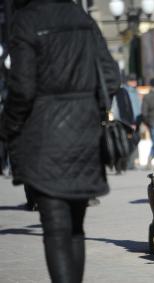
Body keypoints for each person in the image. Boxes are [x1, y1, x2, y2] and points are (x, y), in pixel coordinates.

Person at [0, 1, 120, 282]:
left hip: (43, 136)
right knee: (76, 228)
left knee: (55, 229)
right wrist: (91, 110)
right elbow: (111, 77)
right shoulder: (81, 16)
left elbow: (23, 88)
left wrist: (8, 128)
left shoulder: (26, 20)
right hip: (85, 134)